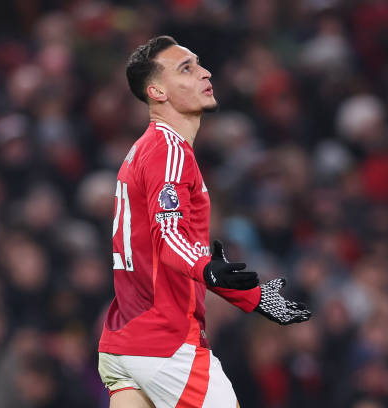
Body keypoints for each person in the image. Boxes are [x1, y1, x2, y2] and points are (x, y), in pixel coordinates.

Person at [97, 35, 311, 408]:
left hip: (125, 343)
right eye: (186, 69)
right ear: (157, 92)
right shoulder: (169, 152)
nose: (205, 72)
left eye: (198, 63)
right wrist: (207, 268)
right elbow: (169, 237)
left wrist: (253, 296)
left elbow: (171, 255)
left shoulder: (144, 150)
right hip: (164, 344)